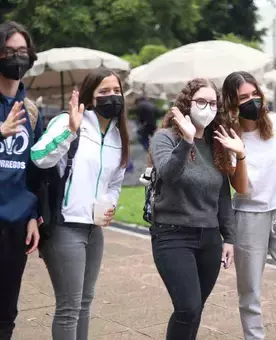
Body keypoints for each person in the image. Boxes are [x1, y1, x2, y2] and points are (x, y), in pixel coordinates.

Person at [30, 68, 129, 340]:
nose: (112, 97)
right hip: (64, 227)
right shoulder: (69, 121)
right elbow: (38, 156)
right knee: (69, 307)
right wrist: (70, 132)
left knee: (85, 303)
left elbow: (114, 181)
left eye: (116, 91)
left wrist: (111, 205)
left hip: (94, 229)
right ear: (90, 95)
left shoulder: (117, 136)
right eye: (104, 92)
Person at [149, 78, 247, 340]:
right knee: (187, 308)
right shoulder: (165, 137)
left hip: (210, 238)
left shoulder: (216, 144)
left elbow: (223, 195)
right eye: (201, 101)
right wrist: (187, 141)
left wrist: (229, 238)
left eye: (213, 103)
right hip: (172, 234)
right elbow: (169, 174)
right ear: (186, 104)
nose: (208, 108)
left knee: (195, 310)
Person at [222, 71, 276, 340]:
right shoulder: (228, 137)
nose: (252, 101)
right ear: (232, 103)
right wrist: (240, 152)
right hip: (248, 218)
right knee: (250, 292)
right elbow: (240, 187)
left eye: (254, 94)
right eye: (243, 98)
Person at [0, 21, 42, 339]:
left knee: (6, 312)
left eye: (22, 51)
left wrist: (32, 215)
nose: (17, 57)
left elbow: (33, 171)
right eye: (9, 51)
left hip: (15, 225)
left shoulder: (30, 111)